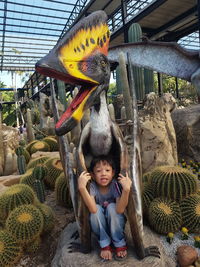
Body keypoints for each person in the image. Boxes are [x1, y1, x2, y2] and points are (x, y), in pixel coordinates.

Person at [78, 155, 132, 261]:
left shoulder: (114, 185)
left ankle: (119, 242)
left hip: (115, 224)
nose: (103, 173)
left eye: (107, 170)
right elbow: (93, 210)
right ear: (92, 175)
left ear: (112, 173)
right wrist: (82, 188)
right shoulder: (92, 186)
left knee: (112, 207)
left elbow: (120, 210)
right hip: (101, 227)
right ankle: (105, 244)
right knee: (96, 210)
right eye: (98, 171)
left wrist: (126, 190)